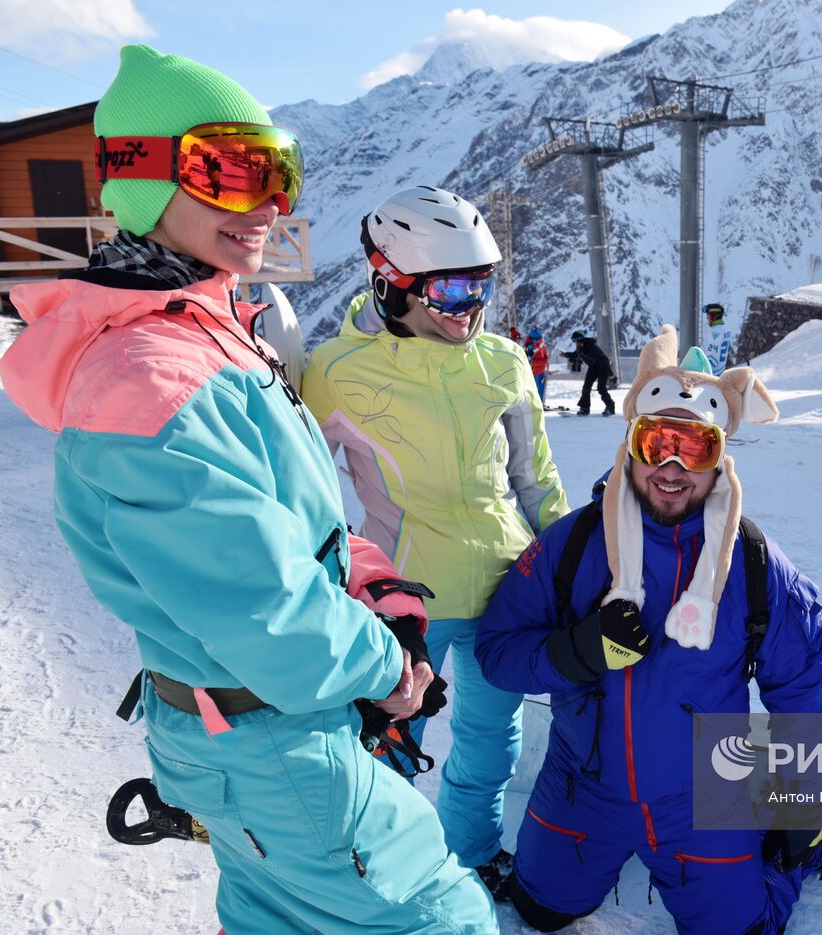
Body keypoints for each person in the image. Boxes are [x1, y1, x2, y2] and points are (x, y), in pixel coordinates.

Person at [0, 46, 497, 933]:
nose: (270, 203)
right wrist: (388, 668)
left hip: (263, 736)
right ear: (142, 177)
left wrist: (377, 590)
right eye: (231, 169)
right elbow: (270, 615)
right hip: (274, 738)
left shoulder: (213, 331)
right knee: (443, 915)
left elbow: (297, 524)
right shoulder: (148, 379)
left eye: (282, 172)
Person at [475, 327, 822, 934]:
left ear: (720, 456)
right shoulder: (572, 545)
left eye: (694, 448)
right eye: (657, 441)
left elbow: (796, 686)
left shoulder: (751, 561)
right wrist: (575, 653)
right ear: (631, 441)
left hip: (702, 797)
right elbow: (497, 652)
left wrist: (804, 796)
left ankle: (796, 838)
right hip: (583, 787)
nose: (672, 467)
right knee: (539, 911)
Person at [302, 186, 569, 895]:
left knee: (489, 747)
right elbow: (300, 490)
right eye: (451, 288)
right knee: (391, 743)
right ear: (391, 282)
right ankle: (388, 875)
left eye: (481, 284)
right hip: (406, 600)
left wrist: (569, 565)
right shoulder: (334, 373)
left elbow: (534, 478)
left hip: (506, 593)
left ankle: (472, 857)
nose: (470, 306)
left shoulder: (504, 362)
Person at [572, 329, 616, 415]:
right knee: (586, 387)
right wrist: (565, 354)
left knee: (601, 388)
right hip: (593, 367)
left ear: (580, 339)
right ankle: (585, 408)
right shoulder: (580, 347)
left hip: (602, 367)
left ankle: (610, 407)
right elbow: (576, 354)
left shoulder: (592, 347)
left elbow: (604, 360)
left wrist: (611, 374)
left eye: (575, 340)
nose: (575, 343)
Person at [529, 327, 551, 403]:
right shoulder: (531, 347)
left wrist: (546, 360)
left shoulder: (541, 346)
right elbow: (531, 361)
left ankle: (539, 403)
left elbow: (545, 356)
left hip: (540, 371)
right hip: (535, 372)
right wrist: (544, 361)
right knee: (535, 388)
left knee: (540, 388)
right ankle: (536, 403)